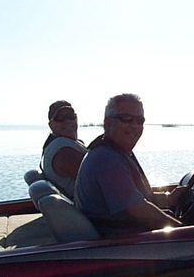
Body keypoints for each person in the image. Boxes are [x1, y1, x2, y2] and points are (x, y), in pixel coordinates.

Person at [75, 93, 182, 235]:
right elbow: (143, 213)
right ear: (108, 123)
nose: (134, 126)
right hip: (120, 243)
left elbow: (134, 197)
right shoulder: (106, 160)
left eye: (140, 120)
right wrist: (188, 231)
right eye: (126, 119)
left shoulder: (115, 152)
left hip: (128, 238)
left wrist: (169, 198)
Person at [40, 100, 87, 198]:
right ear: (51, 125)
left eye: (71, 116)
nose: (68, 121)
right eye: (60, 118)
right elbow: (99, 178)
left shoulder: (64, 143)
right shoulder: (64, 151)